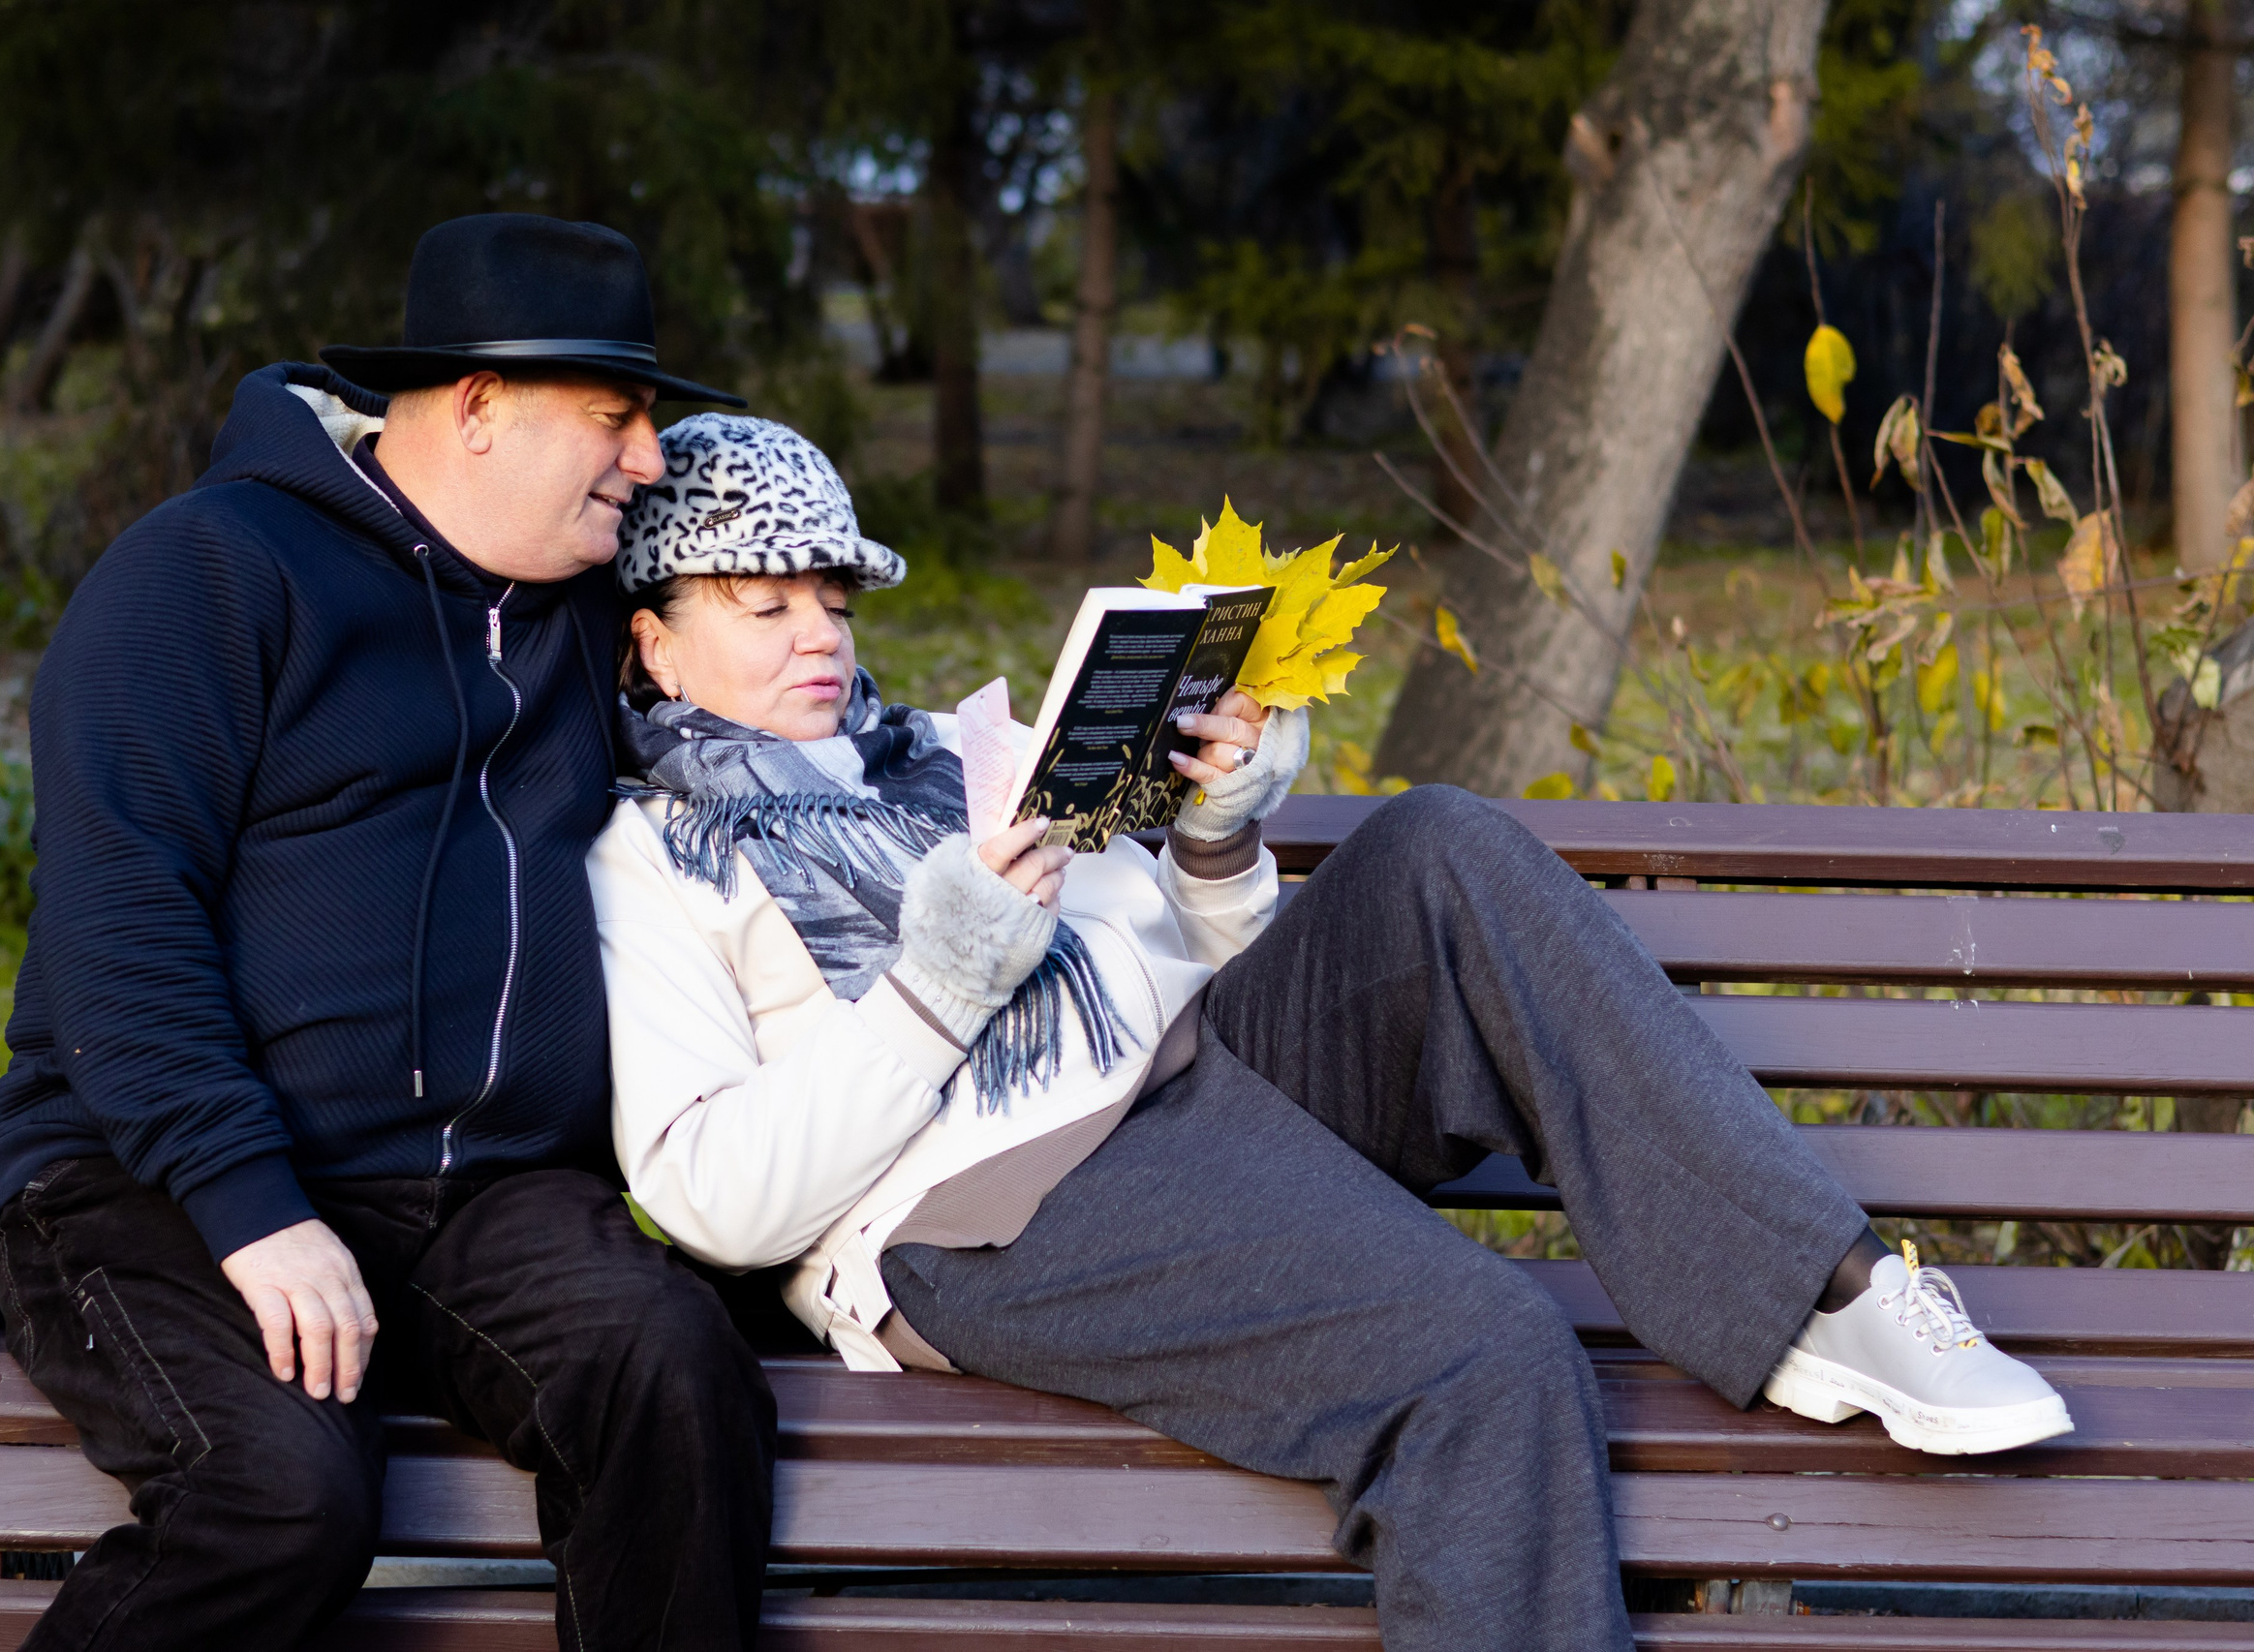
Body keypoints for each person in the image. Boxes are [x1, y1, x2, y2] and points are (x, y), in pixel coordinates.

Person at [589, 413, 2076, 1652]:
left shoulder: (944, 756)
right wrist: (936, 987)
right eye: (763, 604)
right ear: (655, 646)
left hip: (1188, 1083)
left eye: (835, 602)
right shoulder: (652, 858)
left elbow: (1178, 964)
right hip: (993, 1213)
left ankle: (1831, 1292)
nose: (820, 637)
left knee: (1442, 844)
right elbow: (713, 1195)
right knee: (1486, 1360)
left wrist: (1220, 835)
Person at [0, 217, 776, 1652]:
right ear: (476, 408)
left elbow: (800, 721)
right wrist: (252, 1203)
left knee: (670, 1368)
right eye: (616, 416)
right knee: (281, 1492)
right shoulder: (206, 575)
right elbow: (119, 917)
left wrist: (1146, 772)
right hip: (156, 1174)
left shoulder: (591, 612)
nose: (649, 458)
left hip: (486, 1193)